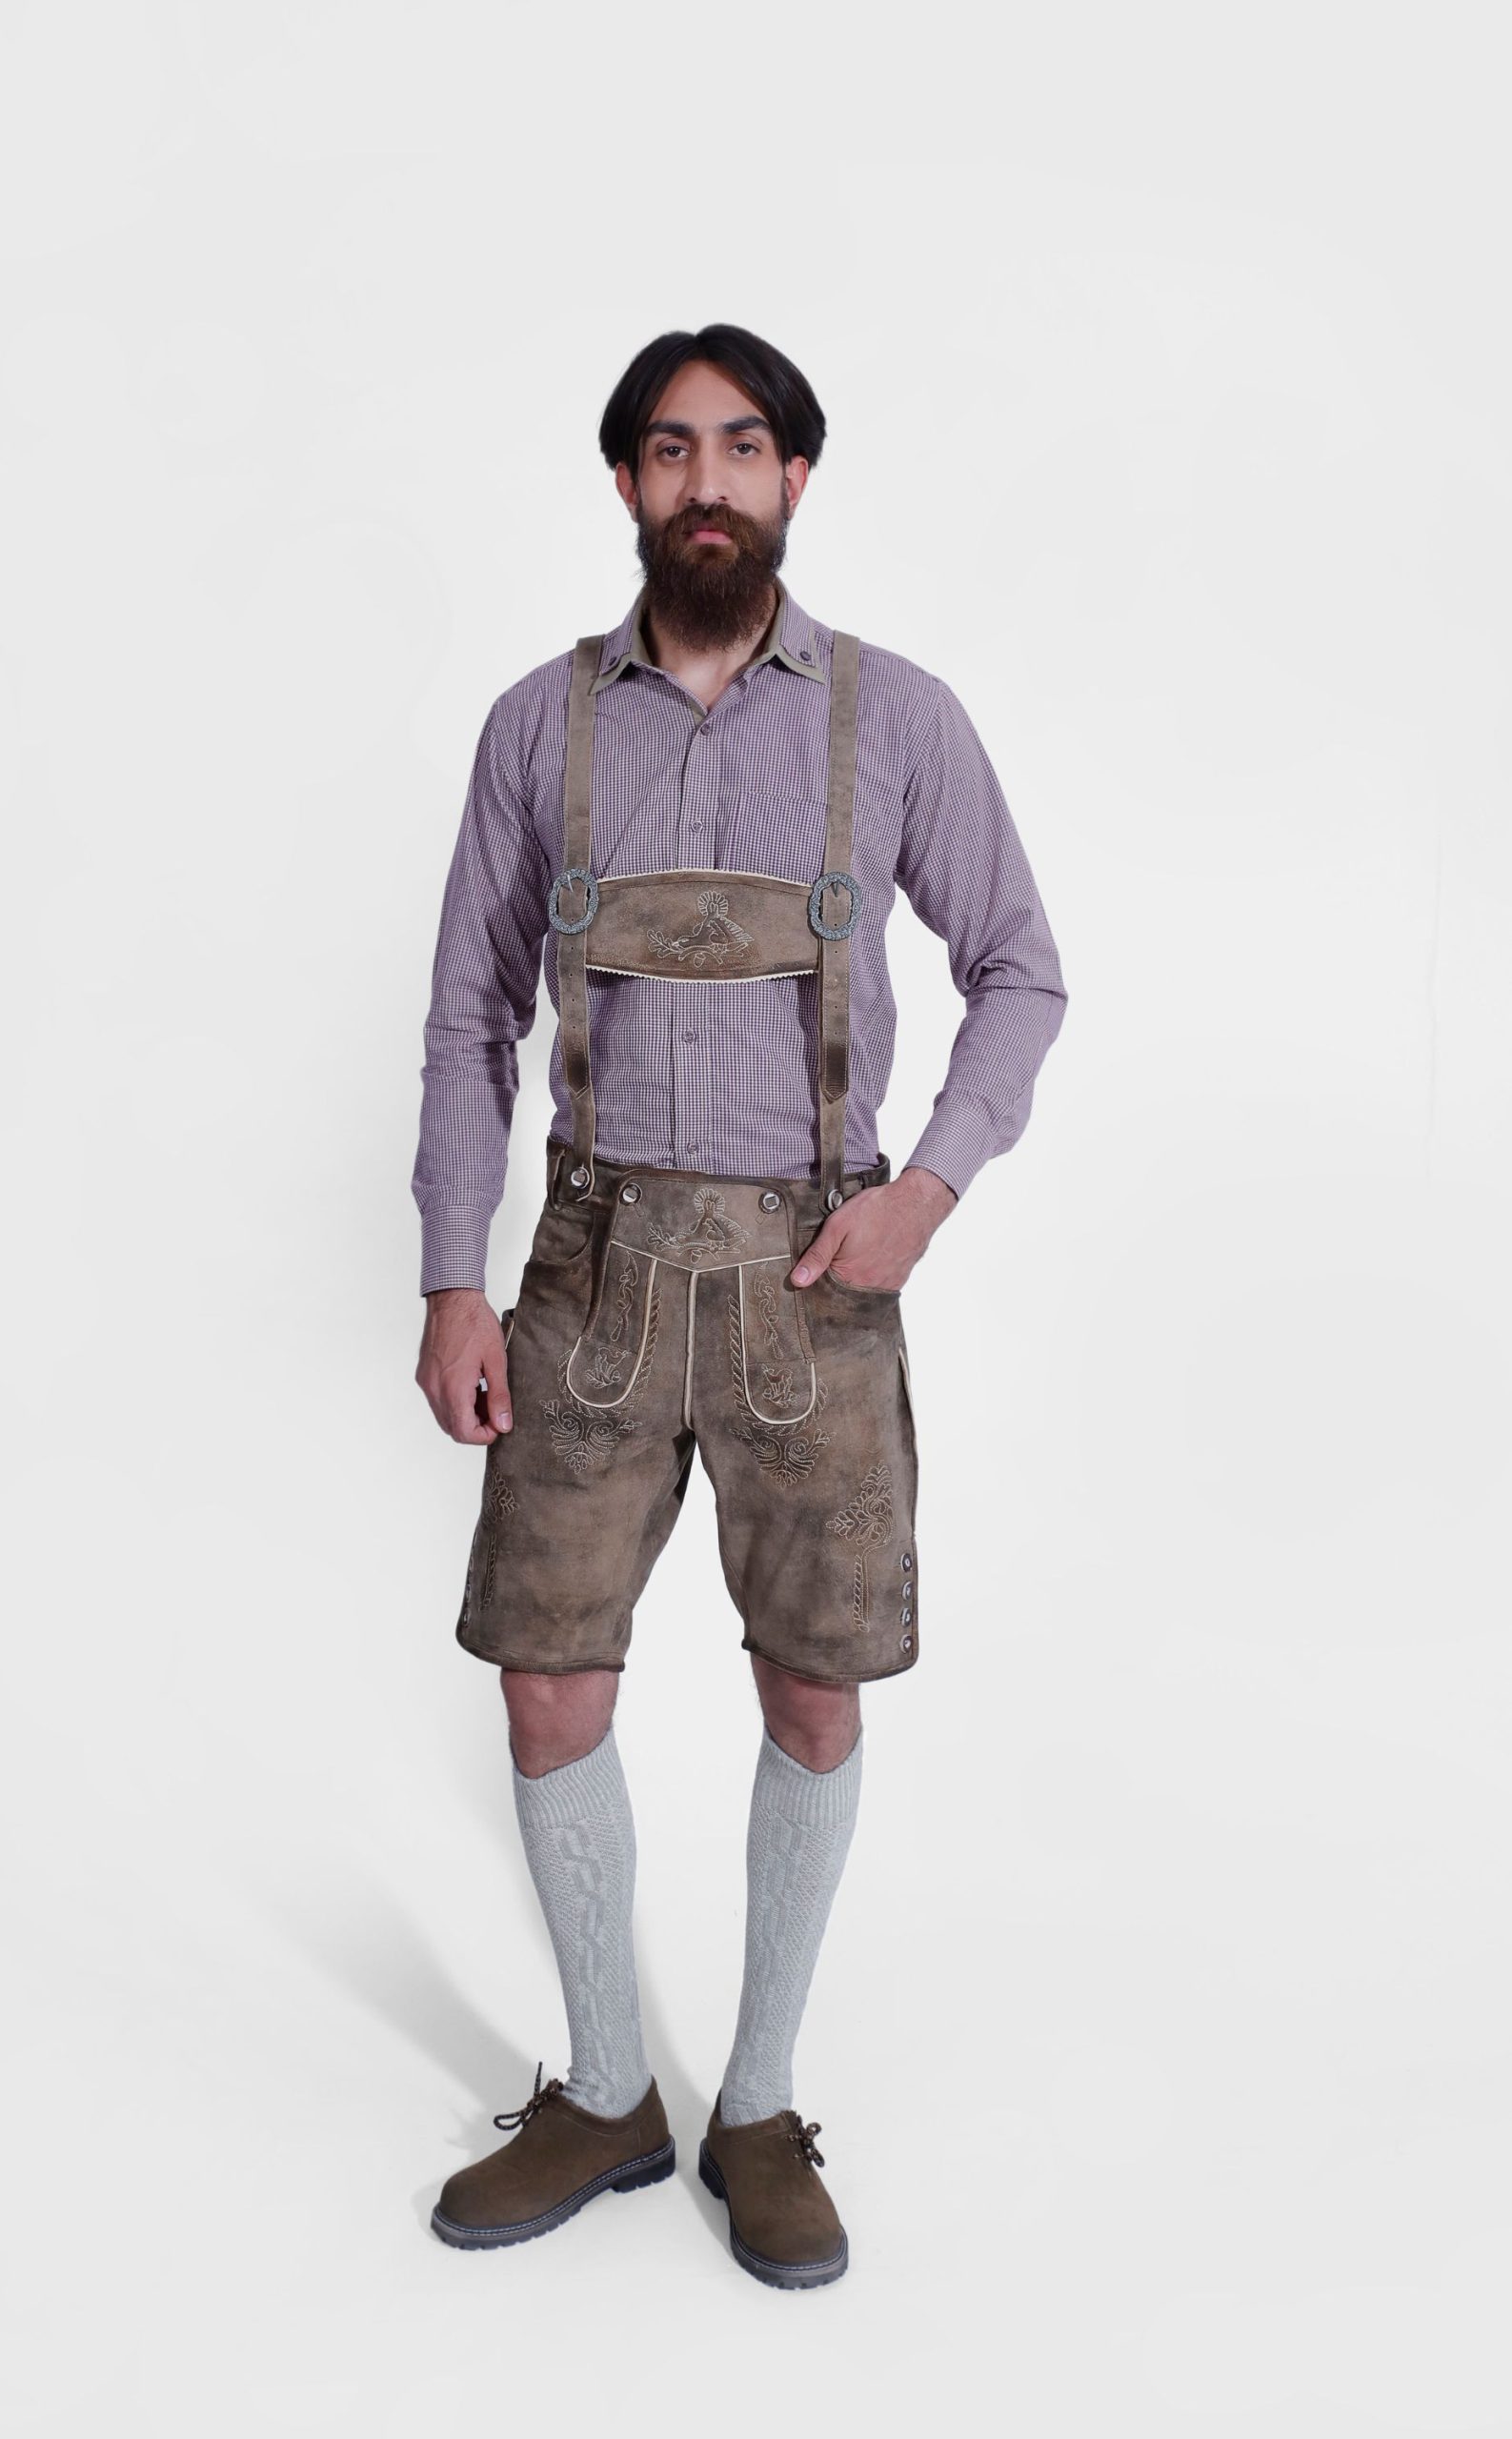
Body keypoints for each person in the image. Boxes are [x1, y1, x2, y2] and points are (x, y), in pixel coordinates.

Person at [412, 323, 1067, 2288]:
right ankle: (609, 2086)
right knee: (547, 1678)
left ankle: (759, 2102)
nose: (709, 481)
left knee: (810, 1686)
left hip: (814, 1280)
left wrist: (925, 1191)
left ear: (794, 478)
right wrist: (451, 1274)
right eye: (672, 448)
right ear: (626, 482)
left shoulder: (897, 720)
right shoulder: (538, 728)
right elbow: (463, 1020)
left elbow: (1021, 969)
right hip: (585, 1272)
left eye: (745, 446)